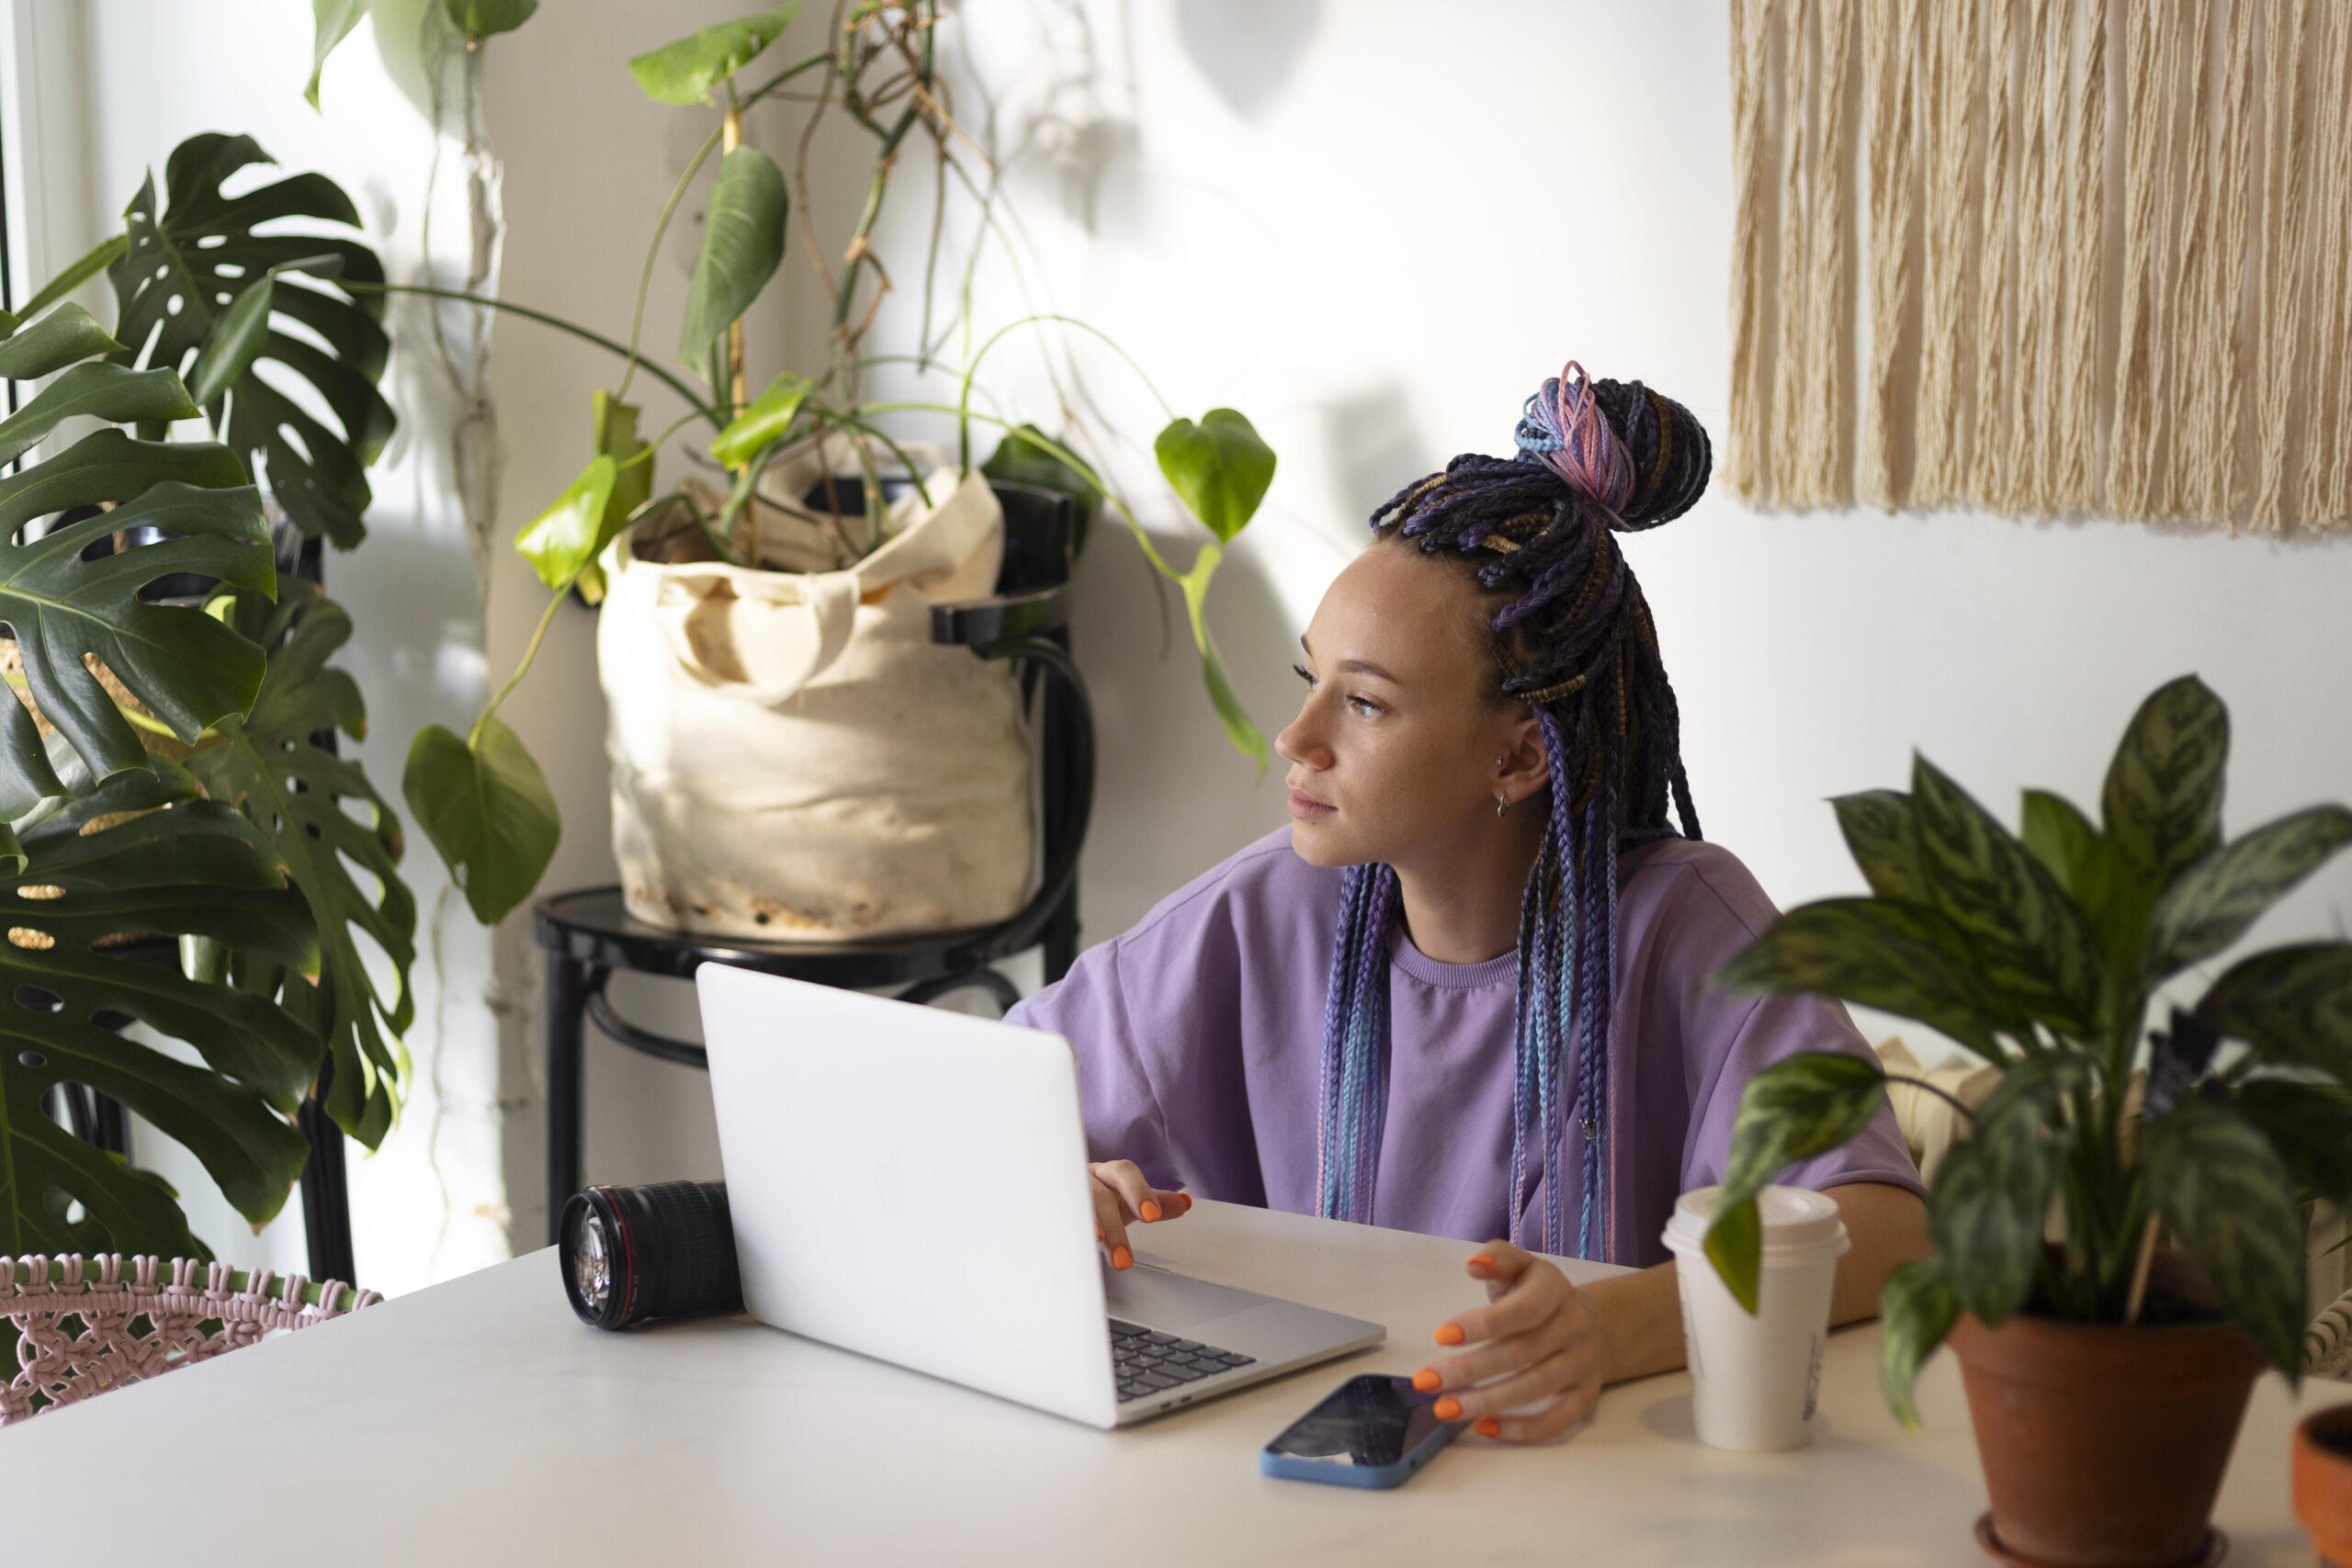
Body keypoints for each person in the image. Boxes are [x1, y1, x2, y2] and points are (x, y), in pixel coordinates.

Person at [1003, 359, 1928, 1444]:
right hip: (1303, 1465)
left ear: (1521, 752)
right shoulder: (1263, 910)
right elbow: (985, 1104)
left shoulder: (1690, 929)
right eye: (1310, 682)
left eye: (1364, 703)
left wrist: (1612, 1326)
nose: (1294, 743)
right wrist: (1058, 1184)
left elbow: (1886, 1229)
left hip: (1604, 1480)